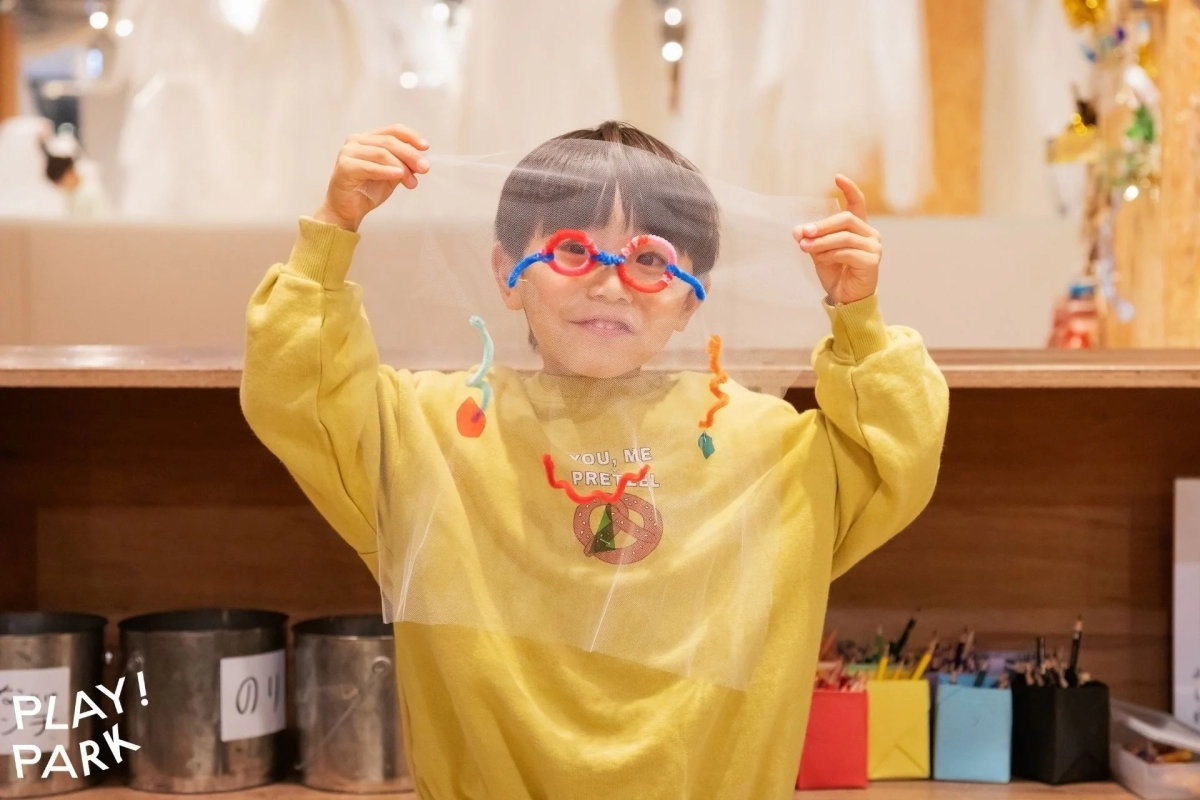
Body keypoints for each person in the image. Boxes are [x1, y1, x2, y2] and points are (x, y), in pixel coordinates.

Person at [241, 120, 949, 799]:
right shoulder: (426, 432)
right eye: (573, 251)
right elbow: (296, 394)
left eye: (650, 259)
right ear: (506, 272)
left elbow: (896, 455)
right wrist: (331, 231)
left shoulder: (767, 447)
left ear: (691, 295)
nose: (610, 284)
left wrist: (859, 315)